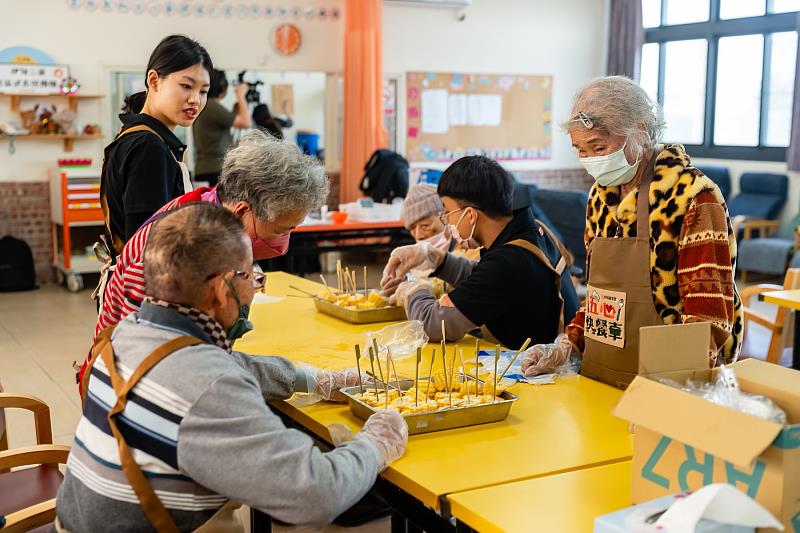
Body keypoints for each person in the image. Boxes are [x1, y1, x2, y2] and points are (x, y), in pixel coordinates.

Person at [57, 203, 407, 532]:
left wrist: (314, 380)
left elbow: (227, 365)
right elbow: (315, 494)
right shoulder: (209, 385)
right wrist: (375, 445)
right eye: (251, 275)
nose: (255, 287)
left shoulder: (128, 331)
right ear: (222, 288)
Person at [520, 76, 743, 385]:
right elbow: (600, 294)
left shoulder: (693, 197)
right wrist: (568, 344)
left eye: (598, 146)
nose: (590, 160)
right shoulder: (601, 197)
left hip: (667, 379)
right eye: (580, 150)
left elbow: (708, 316)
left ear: (640, 131)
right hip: (602, 370)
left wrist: (670, 390)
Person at [80, 130, 328, 395]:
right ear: (243, 211)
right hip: (127, 385)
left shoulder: (206, 214)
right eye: (281, 230)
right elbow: (190, 367)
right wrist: (307, 379)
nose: (283, 241)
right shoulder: (181, 252)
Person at [381, 156, 579, 349]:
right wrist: (437, 260)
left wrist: (413, 289)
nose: (447, 222)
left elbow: (435, 326)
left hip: (538, 373)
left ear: (470, 215)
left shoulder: (508, 261)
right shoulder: (532, 230)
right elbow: (486, 281)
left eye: (447, 212)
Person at [100, 35, 213, 255]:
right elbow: (147, 248)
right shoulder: (148, 146)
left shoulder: (137, 137)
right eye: (186, 86)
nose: (195, 100)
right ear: (154, 81)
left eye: (203, 91)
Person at [193, 69, 252, 186]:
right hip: (214, 168)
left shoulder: (207, 105)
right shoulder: (211, 106)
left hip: (207, 167)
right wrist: (241, 95)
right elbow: (246, 122)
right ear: (221, 86)